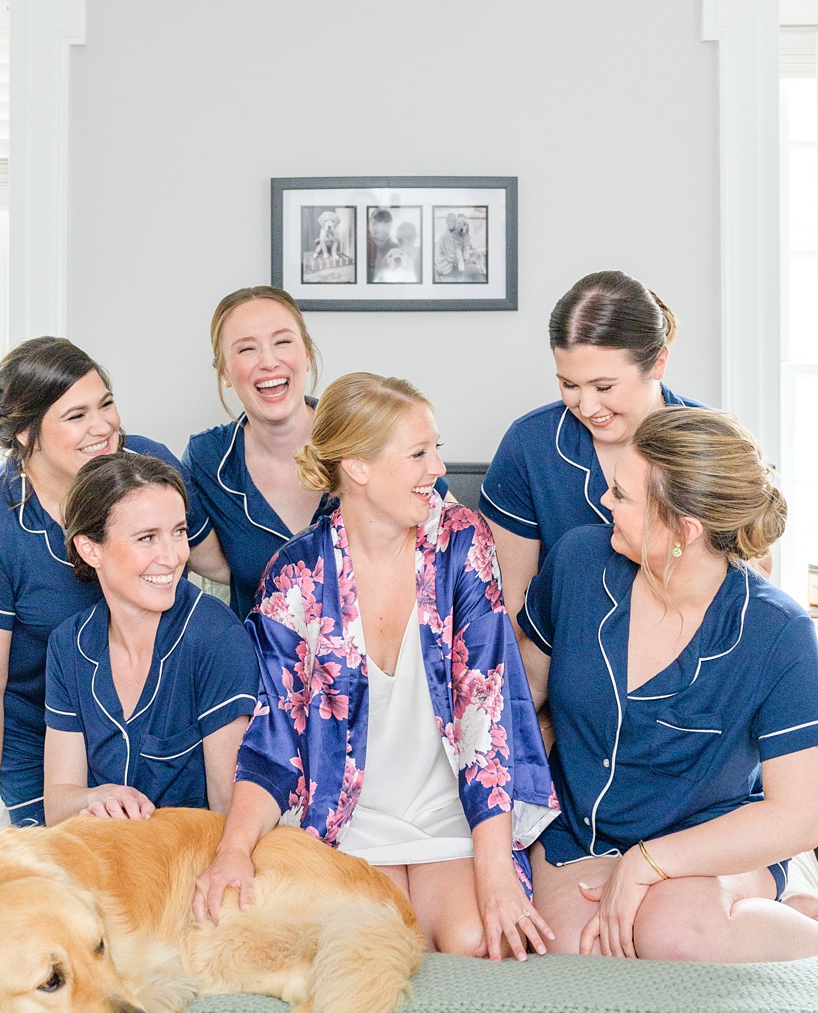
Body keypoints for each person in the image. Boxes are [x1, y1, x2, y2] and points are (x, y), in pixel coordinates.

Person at [193, 373, 559, 960]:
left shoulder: (464, 544)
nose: (438, 467)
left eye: (436, 448)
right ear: (357, 467)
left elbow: (485, 711)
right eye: (419, 452)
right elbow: (273, 736)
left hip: (454, 815)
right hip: (346, 818)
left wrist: (495, 875)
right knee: (377, 947)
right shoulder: (296, 576)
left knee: (475, 941)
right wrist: (233, 850)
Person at [517, 407, 818, 960]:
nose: (605, 504)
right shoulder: (578, 561)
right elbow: (521, 701)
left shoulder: (777, 630)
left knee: (676, 934)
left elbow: (798, 817)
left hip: (712, 841)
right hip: (583, 833)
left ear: (683, 530)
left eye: (622, 496)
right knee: (579, 947)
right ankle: (765, 920)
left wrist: (647, 864)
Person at [0, 338, 179, 834]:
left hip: (157, 725)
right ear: (26, 433)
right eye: (76, 415)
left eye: (106, 403)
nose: (103, 426)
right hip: (43, 747)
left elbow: (210, 557)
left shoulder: (147, 468)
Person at [41, 452, 258, 823]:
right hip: (103, 860)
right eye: (147, 538)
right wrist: (98, 797)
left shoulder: (216, 639)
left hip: (191, 866)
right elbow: (58, 806)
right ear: (89, 549)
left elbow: (230, 815)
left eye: (178, 532)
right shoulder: (69, 646)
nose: (173, 557)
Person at [480, 272, 702, 617]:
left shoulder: (709, 443)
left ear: (658, 363)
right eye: (569, 384)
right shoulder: (530, 445)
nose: (587, 407)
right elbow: (512, 610)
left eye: (603, 387)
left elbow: (746, 580)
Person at [181, 287, 333, 617]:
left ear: (306, 354)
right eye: (247, 349)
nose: (268, 361)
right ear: (224, 373)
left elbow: (449, 534)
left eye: (282, 342)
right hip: (256, 663)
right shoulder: (207, 460)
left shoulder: (362, 434)